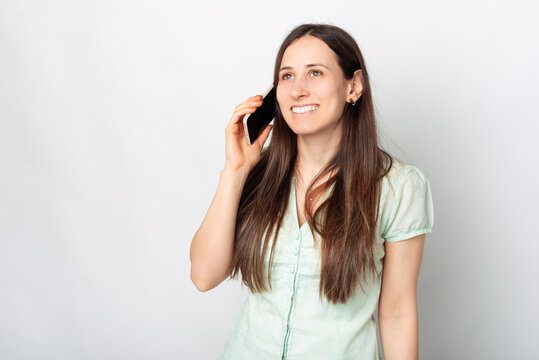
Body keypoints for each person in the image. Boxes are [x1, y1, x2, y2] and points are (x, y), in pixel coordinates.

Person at [189, 23, 434, 360]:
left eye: (315, 73)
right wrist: (235, 171)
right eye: (286, 76)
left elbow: (397, 311)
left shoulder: (398, 187)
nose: (297, 90)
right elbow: (204, 275)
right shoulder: (258, 177)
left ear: (353, 86)